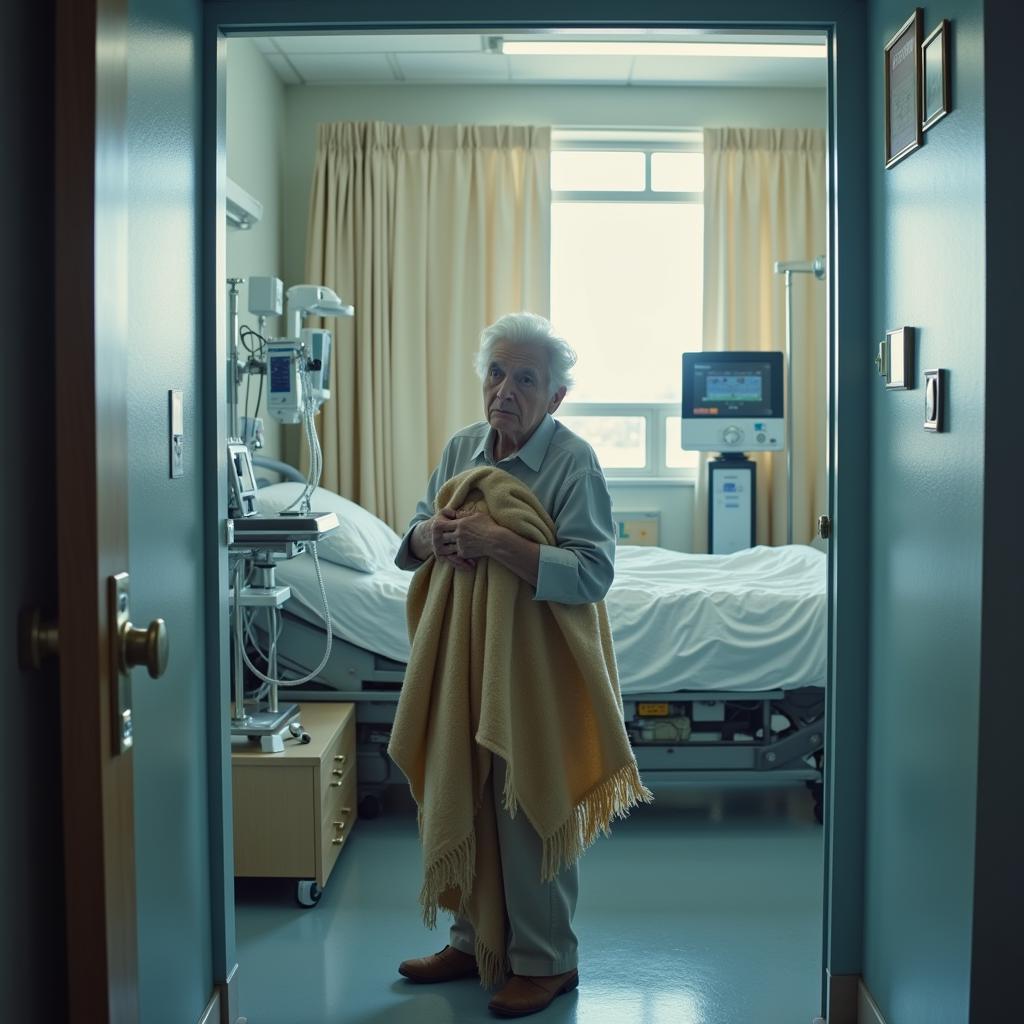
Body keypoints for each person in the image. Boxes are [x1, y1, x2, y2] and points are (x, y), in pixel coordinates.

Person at [391, 312, 639, 1018]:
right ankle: (475, 944)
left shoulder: (572, 462)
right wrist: (432, 534)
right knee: (466, 786)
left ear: (555, 397)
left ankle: (547, 961)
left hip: (534, 665)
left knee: (528, 803)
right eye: (496, 373)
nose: (504, 389)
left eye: (525, 379)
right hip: (463, 656)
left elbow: (593, 574)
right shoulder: (463, 448)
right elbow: (407, 538)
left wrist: (500, 542)